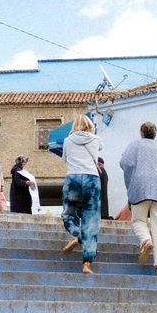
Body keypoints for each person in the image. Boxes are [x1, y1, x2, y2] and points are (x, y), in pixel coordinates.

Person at [119, 120, 157, 276]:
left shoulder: (134, 145)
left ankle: (145, 240)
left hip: (140, 189)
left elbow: (124, 163)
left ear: (141, 133)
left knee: (138, 220)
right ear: (155, 134)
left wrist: (131, 185)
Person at [58, 116, 104, 274]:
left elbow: (64, 159)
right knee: (91, 219)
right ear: (90, 126)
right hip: (91, 178)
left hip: (73, 177)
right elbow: (100, 149)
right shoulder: (95, 138)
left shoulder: (67, 140)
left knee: (69, 214)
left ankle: (77, 234)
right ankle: (86, 264)